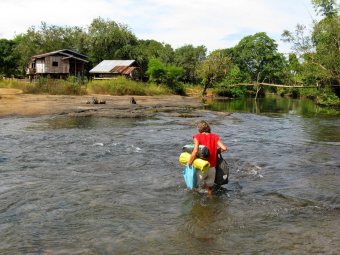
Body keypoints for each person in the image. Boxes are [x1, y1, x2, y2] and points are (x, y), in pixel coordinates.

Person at [188, 120, 228, 194]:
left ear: (199, 129)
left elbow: (195, 151)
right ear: (209, 128)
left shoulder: (197, 136)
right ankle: (211, 201)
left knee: (194, 189)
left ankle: (198, 204)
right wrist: (216, 151)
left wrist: (189, 163)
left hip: (202, 168)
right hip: (212, 168)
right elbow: (224, 148)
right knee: (208, 189)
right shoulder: (215, 136)